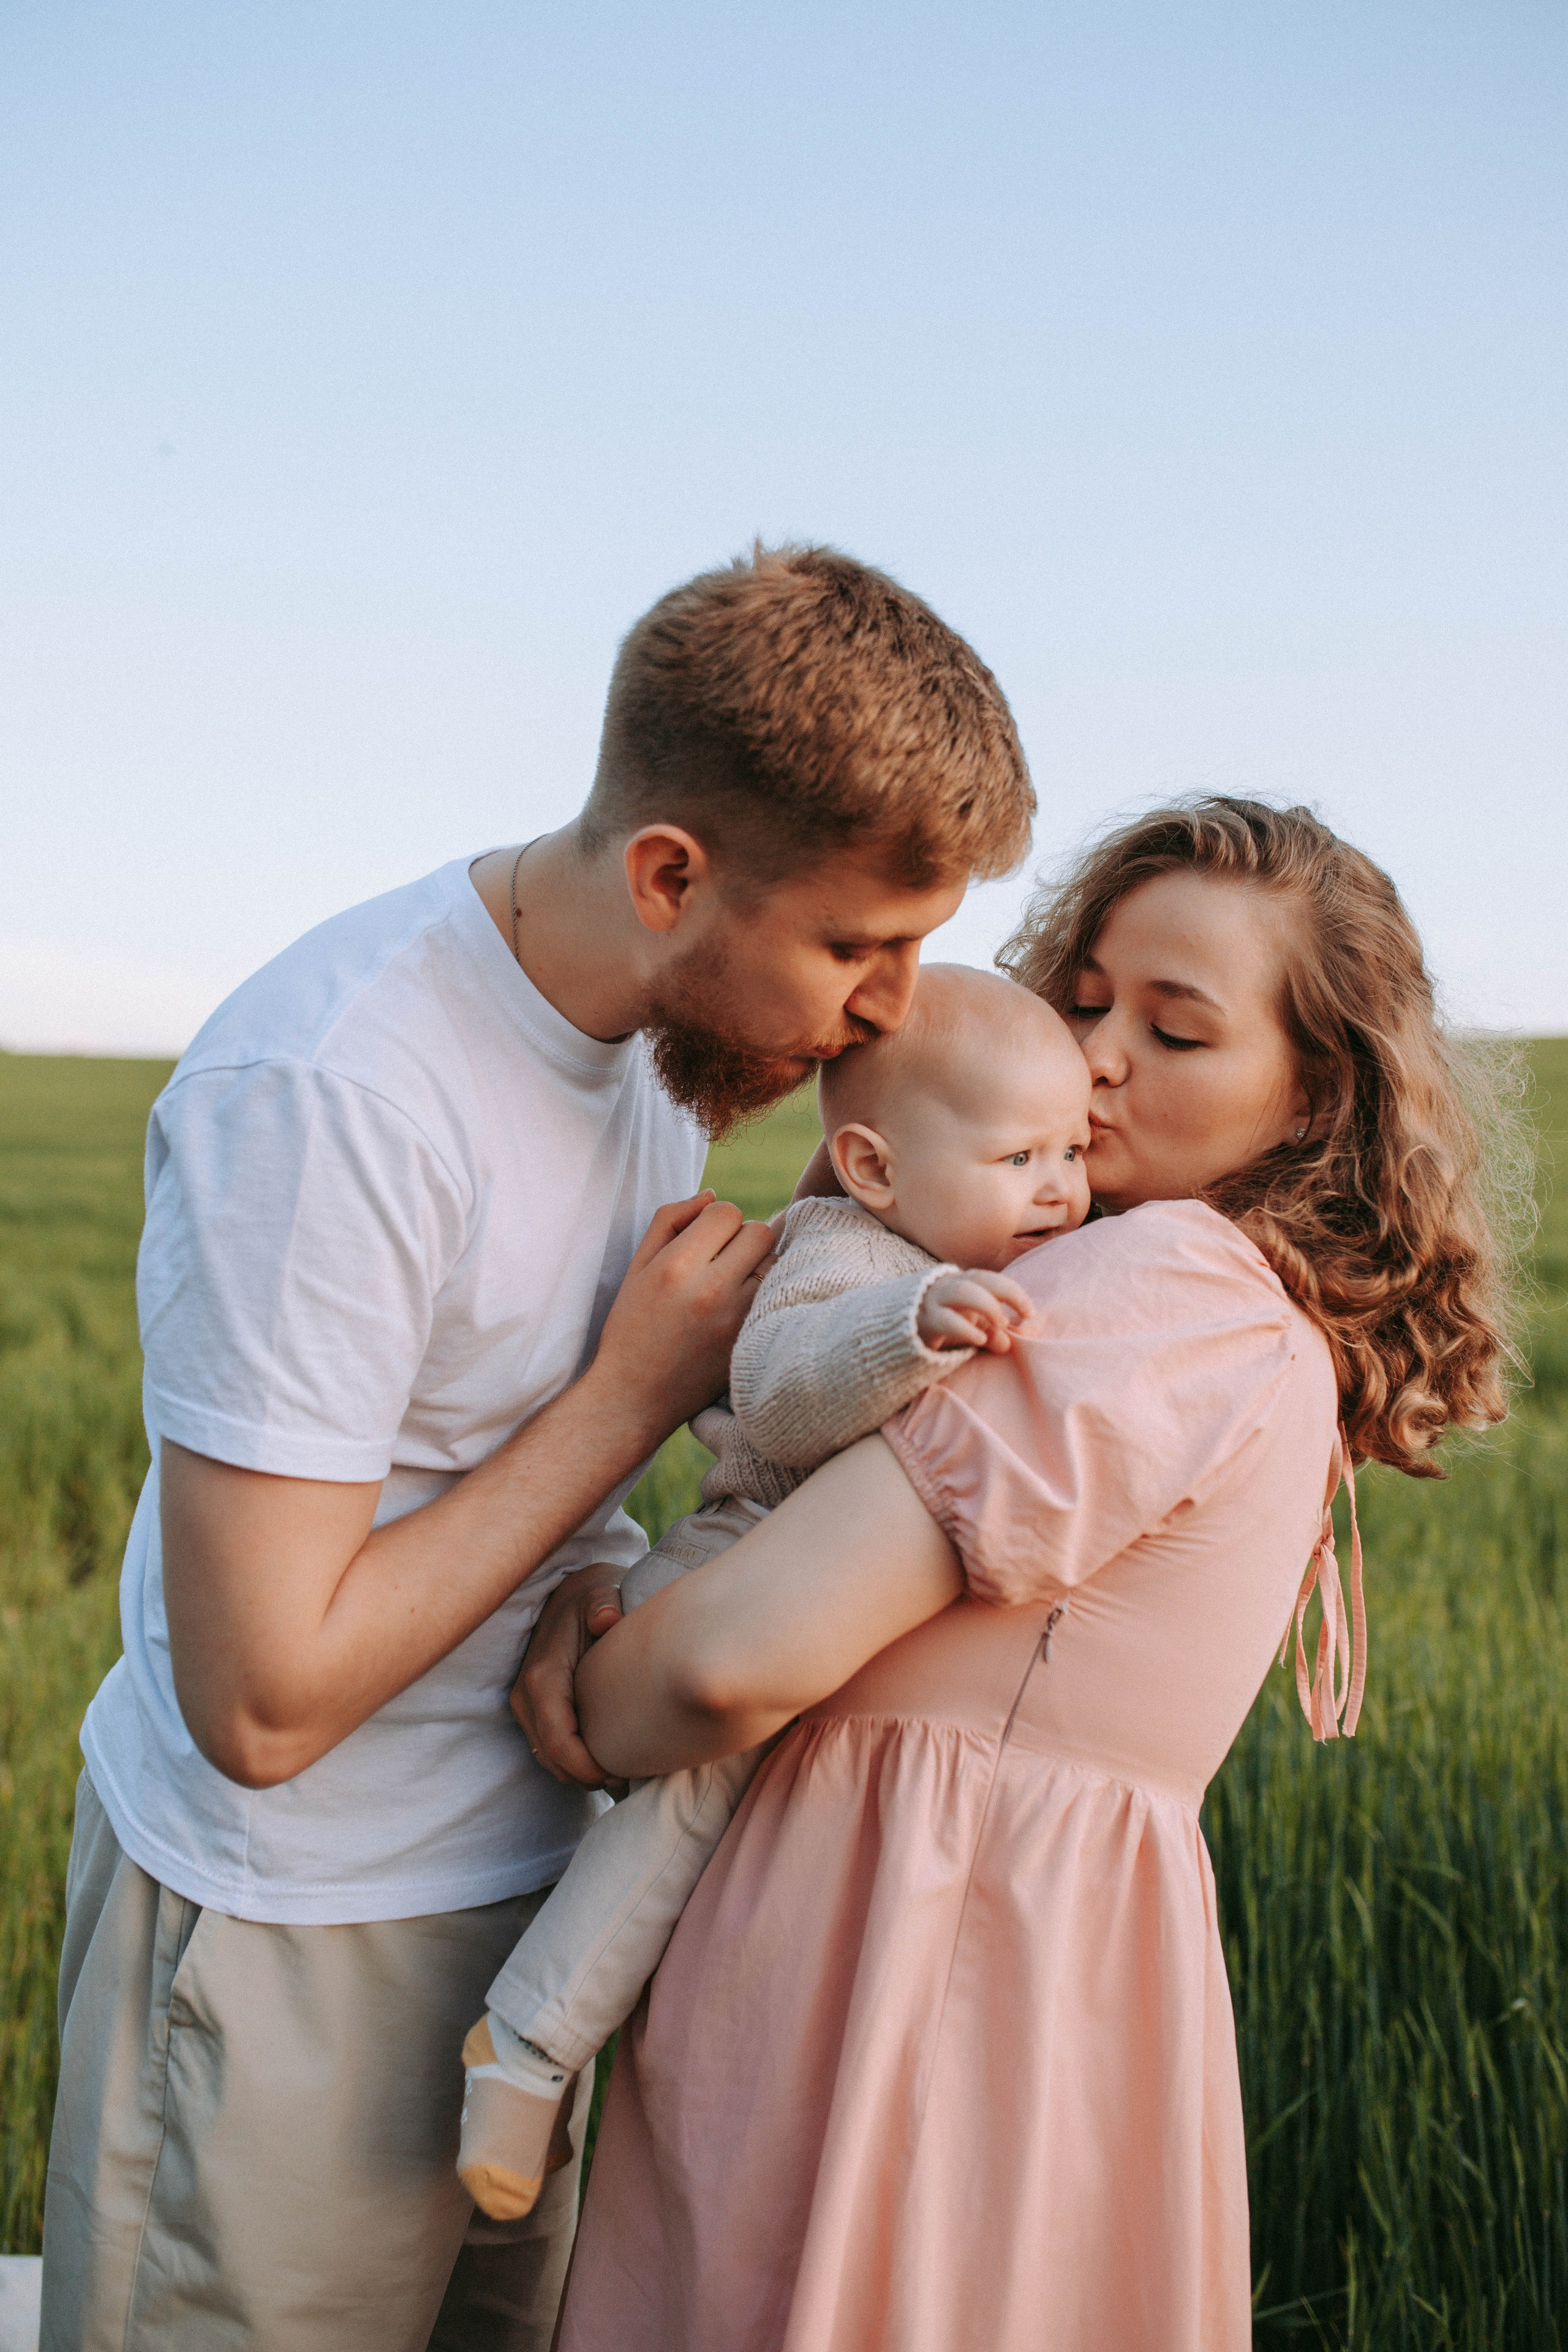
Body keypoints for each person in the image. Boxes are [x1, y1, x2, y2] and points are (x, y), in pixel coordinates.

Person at [38, 545, 1036, 2352]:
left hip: (526, 1921)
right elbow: (260, 1708)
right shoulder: (337, 1096)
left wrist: (603, 1596)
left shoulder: (652, 1058)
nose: (888, 1006)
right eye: (854, 945)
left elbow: (510, 1465)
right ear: (671, 873)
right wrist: (627, 1405)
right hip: (294, 1945)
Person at [536, 798, 1515, 2352]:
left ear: (1314, 1091)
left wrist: (580, 1669)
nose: (1102, 1055)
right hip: (1035, 1981)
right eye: (1084, 1002)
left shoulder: (1151, 1287)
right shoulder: (1255, 1321)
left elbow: (720, 1667)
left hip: (901, 1970)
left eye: (1175, 1032)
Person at [456, 967, 1092, 2219]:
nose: (1060, 1188)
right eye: (1018, 1156)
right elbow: (785, 1393)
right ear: (868, 1165)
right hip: (737, 1551)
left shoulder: (987, 1245)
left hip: (816, 1588)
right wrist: (913, 1322)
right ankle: (525, 2042)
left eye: (1072, 1151)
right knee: (685, 1805)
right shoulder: (845, 1254)